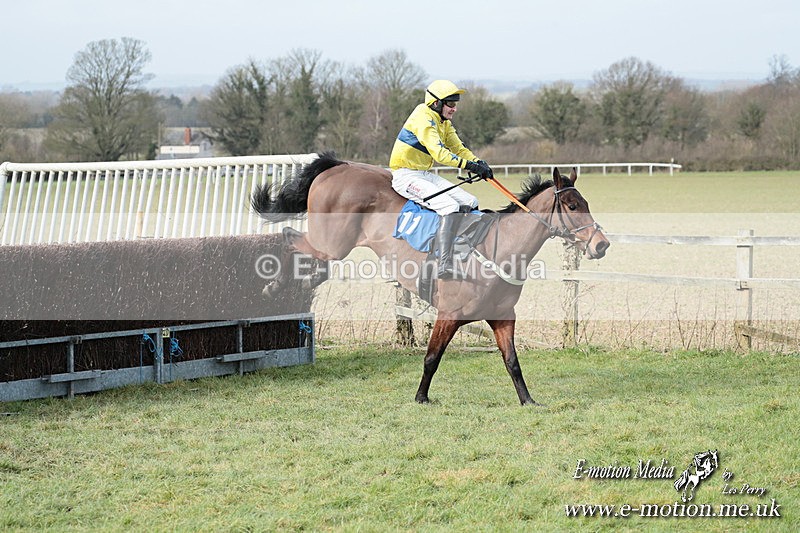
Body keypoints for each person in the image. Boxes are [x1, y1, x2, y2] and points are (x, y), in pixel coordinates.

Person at [389, 79, 494, 278]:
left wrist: (479, 162)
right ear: (436, 103)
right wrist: (469, 165)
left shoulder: (443, 122)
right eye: (451, 104)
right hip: (404, 175)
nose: (454, 109)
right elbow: (440, 154)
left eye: (456, 104)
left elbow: (458, 149)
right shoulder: (424, 117)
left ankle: (463, 251)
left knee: (471, 201)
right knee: (449, 207)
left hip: (424, 174)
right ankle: (444, 264)